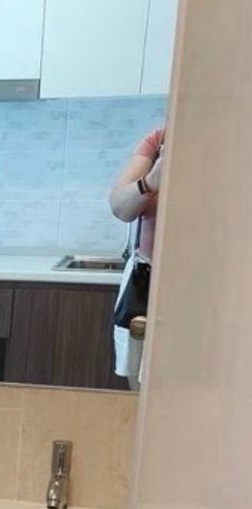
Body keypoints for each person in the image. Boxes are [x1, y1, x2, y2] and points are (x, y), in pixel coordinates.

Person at [108, 125, 164, 384]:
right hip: (146, 279)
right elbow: (120, 207)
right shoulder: (160, 140)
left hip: (206, 285)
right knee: (139, 381)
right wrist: (151, 181)